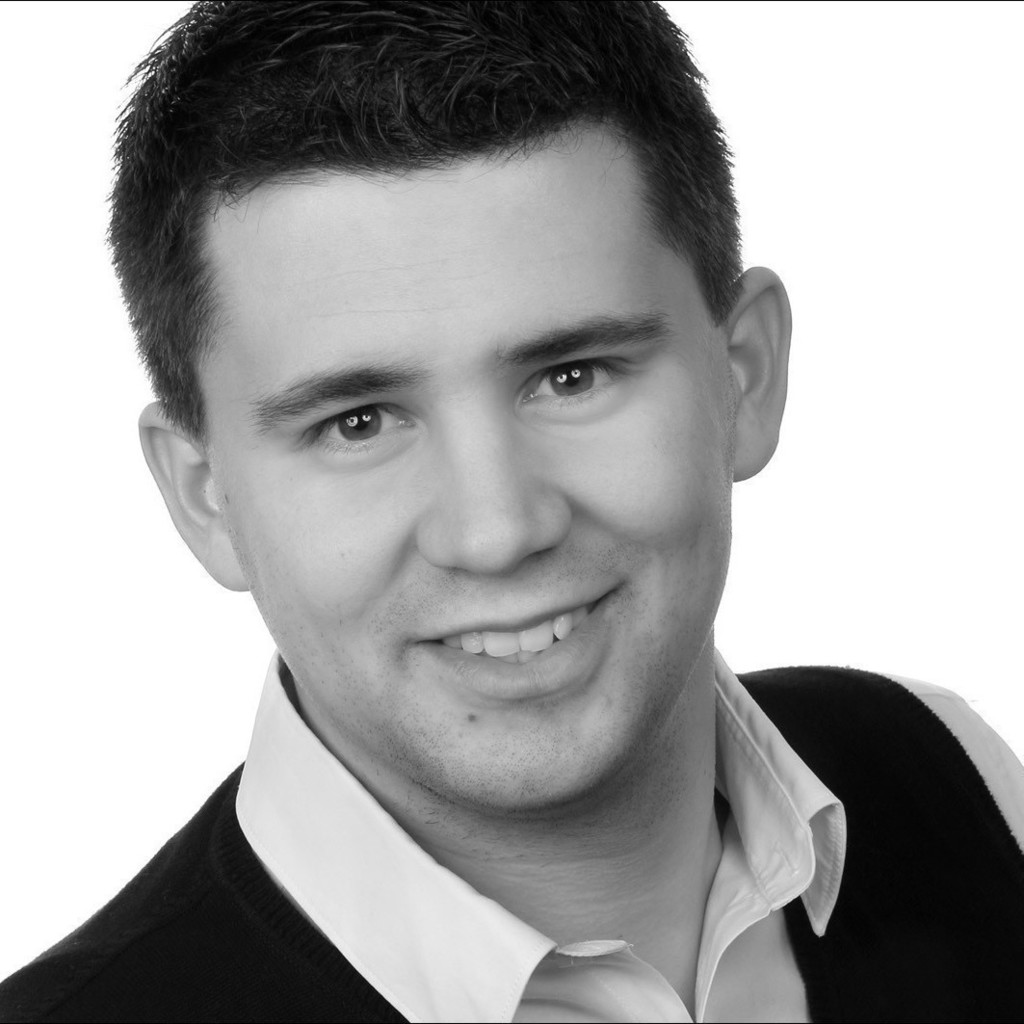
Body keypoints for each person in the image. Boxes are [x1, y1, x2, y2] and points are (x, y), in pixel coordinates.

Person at [2, 2, 1023, 1021]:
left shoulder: (958, 780)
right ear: (204, 497)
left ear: (744, 376)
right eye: (358, 423)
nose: (496, 531)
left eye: (572, 376)